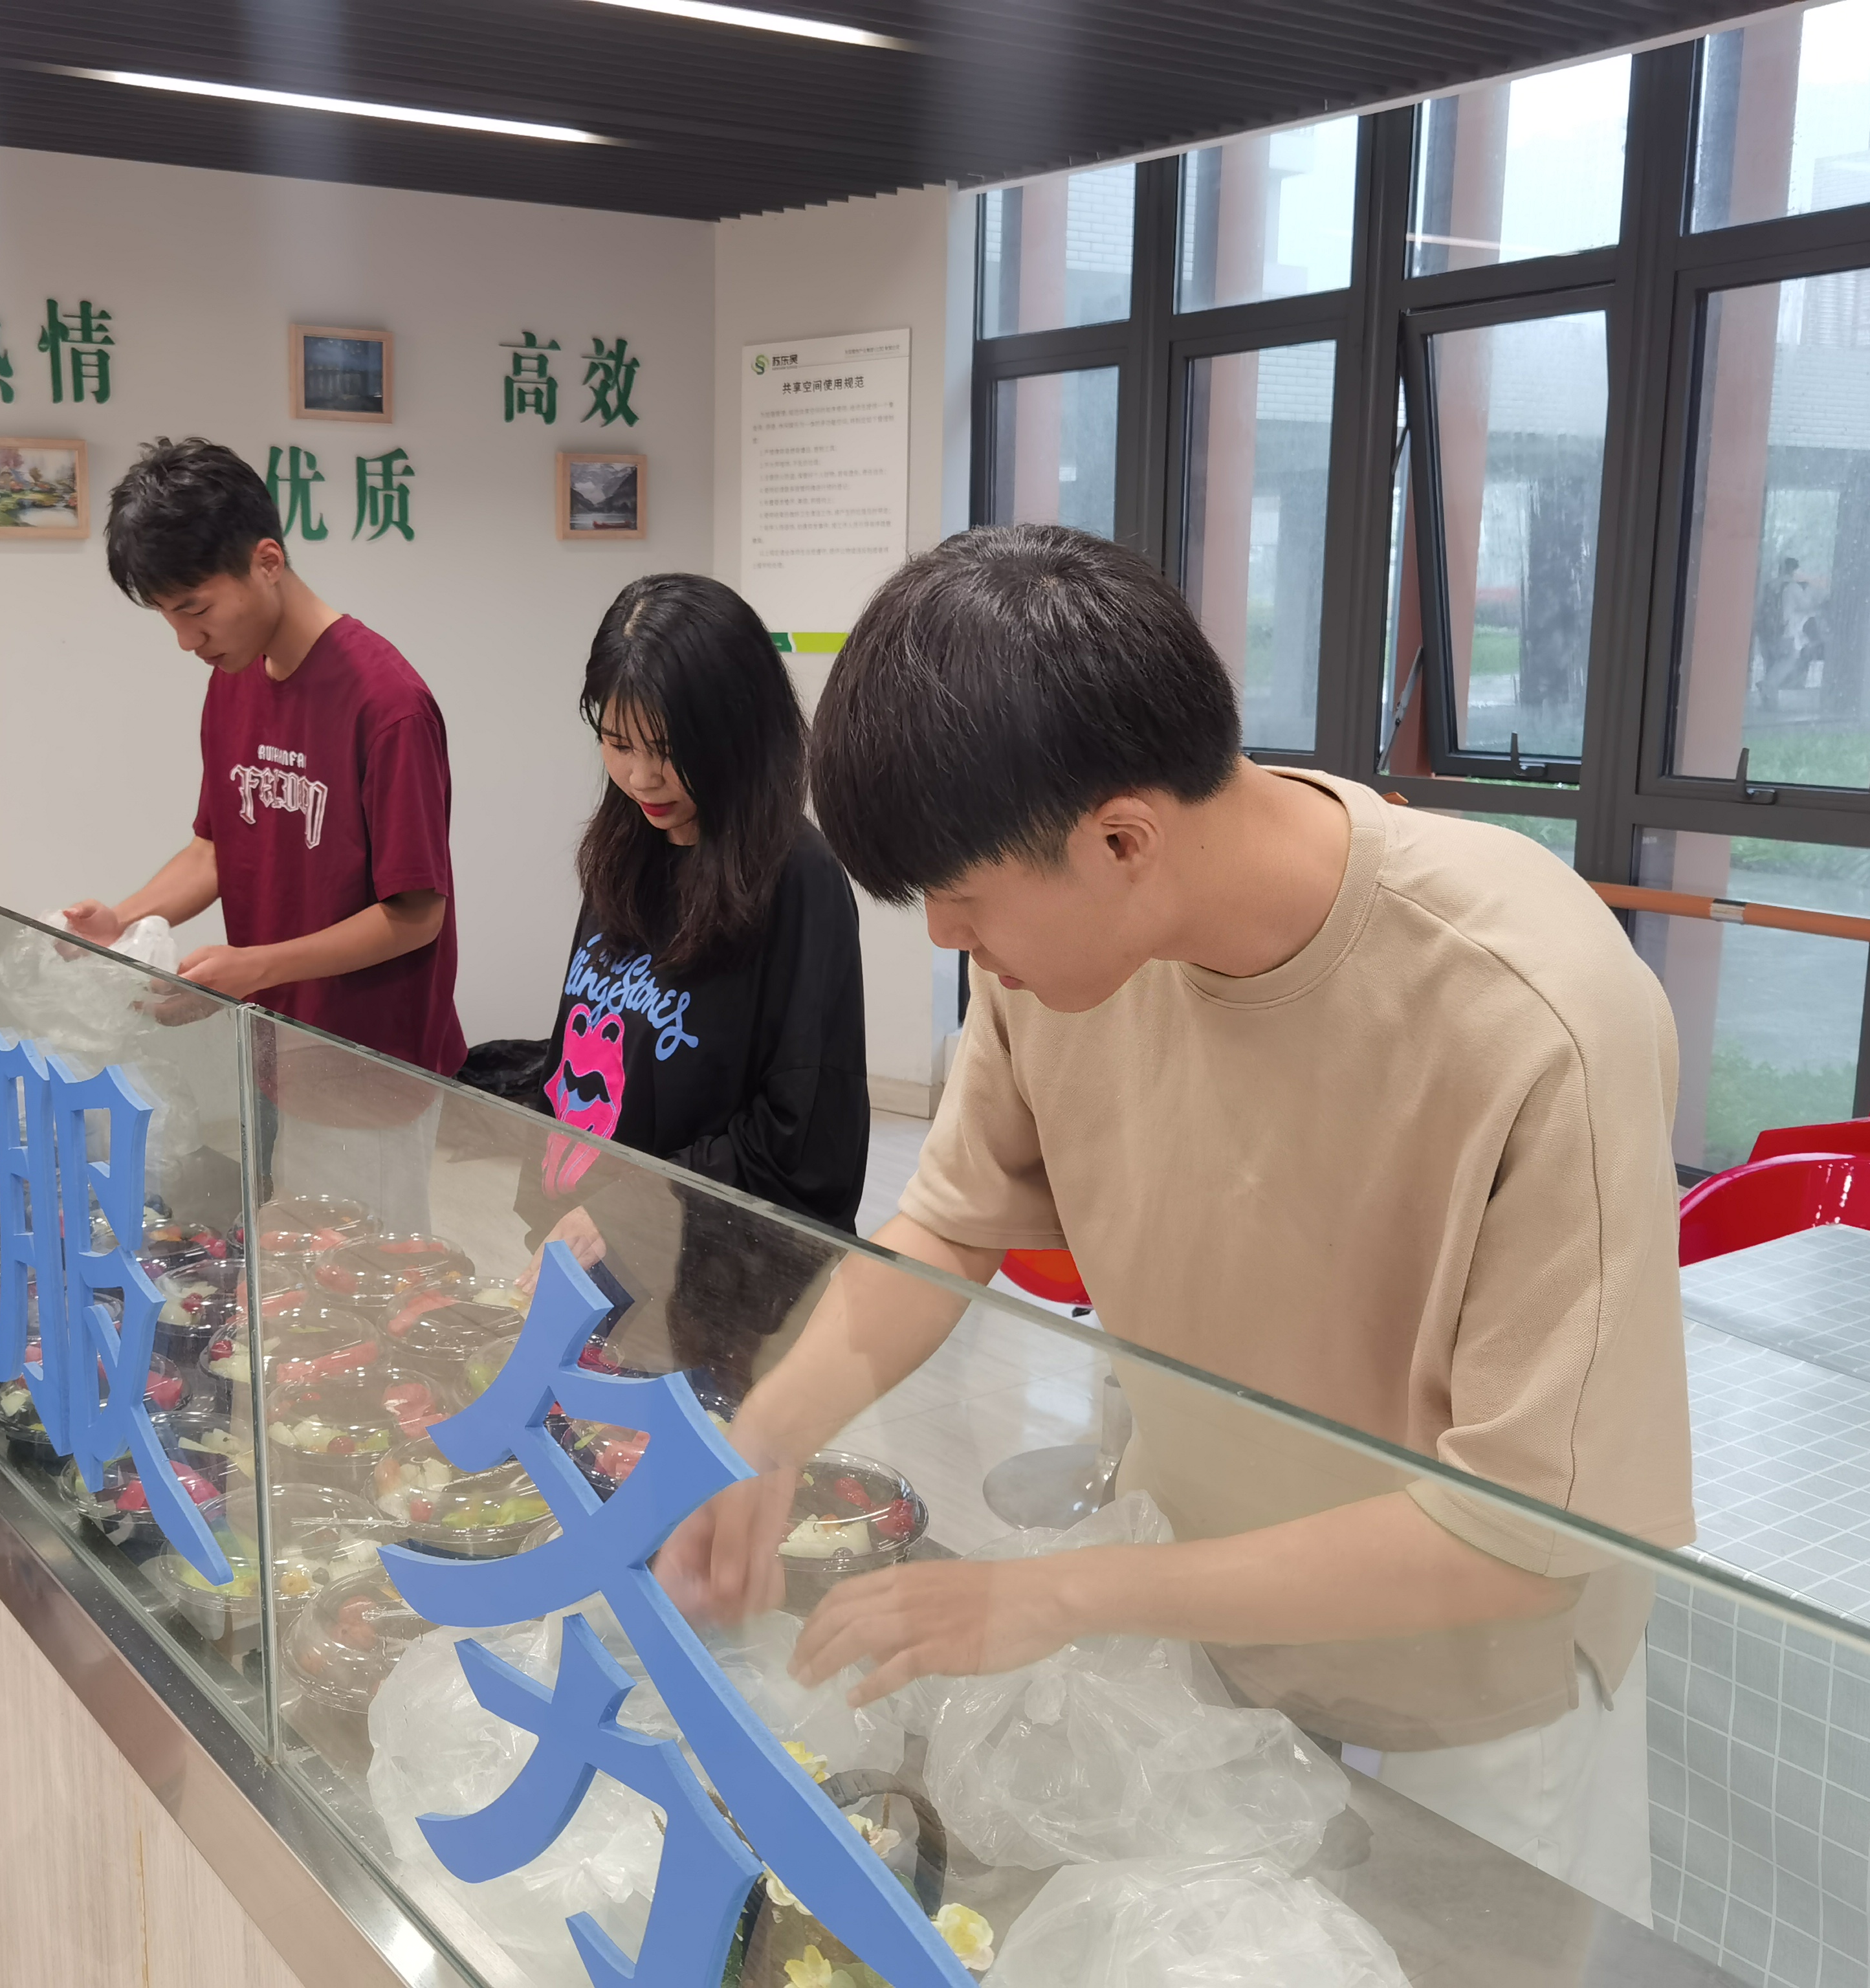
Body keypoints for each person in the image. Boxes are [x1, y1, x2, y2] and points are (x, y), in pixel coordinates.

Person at [658, 524, 1691, 1922]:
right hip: (1205, 1635)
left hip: (1471, 1706)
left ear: (1122, 838)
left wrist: (1068, 1593)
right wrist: (765, 1436)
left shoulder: (1537, 1011)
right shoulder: (1056, 965)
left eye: (961, 902)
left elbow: (1513, 1536)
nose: (946, 943)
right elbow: (946, 1231)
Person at [62, 439, 462, 1226]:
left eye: (195, 609)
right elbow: (217, 847)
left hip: (369, 1066)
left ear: (267, 562)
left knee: (362, 1272)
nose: (186, 640)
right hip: (276, 1049)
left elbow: (417, 915)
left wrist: (253, 969)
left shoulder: (387, 705)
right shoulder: (234, 679)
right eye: (167, 617)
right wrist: (126, 920)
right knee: (289, 1256)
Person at [519, 575, 868, 1383]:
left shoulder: (796, 880)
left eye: (670, 749)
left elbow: (801, 1139)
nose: (642, 777)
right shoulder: (626, 846)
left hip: (713, 1288)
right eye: (618, 743)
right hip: (600, 1258)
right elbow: (584, 1050)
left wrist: (628, 1208)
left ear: (738, 729)